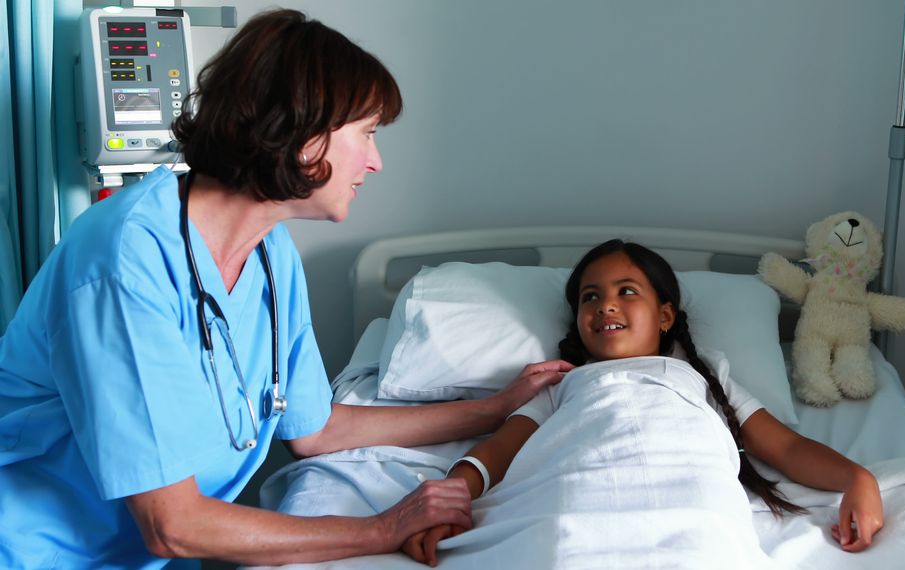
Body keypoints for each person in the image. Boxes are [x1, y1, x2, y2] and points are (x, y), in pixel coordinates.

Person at [0, 9, 567, 568]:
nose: (375, 162)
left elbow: (316, 429)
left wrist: (492, 410)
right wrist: (382, 529)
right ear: (305, 136)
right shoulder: (126, 259)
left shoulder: (271, 255)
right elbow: (171, 525)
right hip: (38, 552)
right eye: (367, 134)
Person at [403, 239, 885, 566]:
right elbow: (494, 455)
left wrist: (857, 480)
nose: (604, 305)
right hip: (575, 510)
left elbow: (787, 449)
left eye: (625, 292)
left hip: (694, 516)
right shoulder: (563, 384)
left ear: (666, 315)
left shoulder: (703, 377)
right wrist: (447, 498)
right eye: (590, 298)